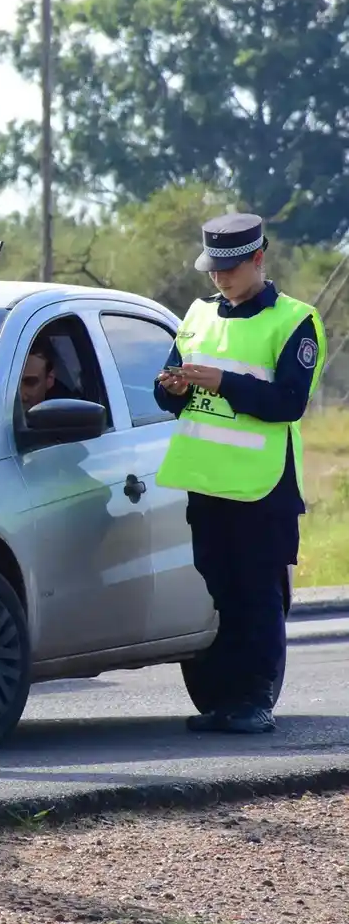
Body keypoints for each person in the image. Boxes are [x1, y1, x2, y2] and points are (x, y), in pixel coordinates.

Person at [154, 212, 323, 735]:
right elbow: (166, 394)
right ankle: (226, 701)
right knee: (222, 590)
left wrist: (223, 382)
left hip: (263, 485)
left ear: (258, 258)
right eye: (212, 269)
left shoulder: (295, 320)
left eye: (230, 268)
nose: (220, 279)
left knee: (257, 593)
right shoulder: (199, 314)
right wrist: (174, 388)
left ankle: (256, 699)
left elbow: (289, 403)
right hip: (206, 481)